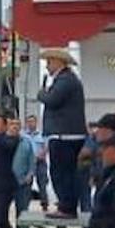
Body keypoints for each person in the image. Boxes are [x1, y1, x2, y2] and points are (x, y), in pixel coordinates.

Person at [37, 48, 87, 219]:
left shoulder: (65, 80)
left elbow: (52, 100)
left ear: (59, 62)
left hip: (64, 135)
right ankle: (67, 205)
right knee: (66, 173)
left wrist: (42, 93)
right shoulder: (68, 80)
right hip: (67, 134)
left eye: (49, 62)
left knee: (61, 173)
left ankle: (67, 207)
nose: (47, 67)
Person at [12, 120, 37, 218]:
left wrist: (30, 174)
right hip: (6, 181)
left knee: (22, 211)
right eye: (12, 124)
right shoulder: (3, 141)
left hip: (23, 182)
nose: (15, 127)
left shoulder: (26, 142)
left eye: (17, 124)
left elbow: (32, 160)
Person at [24, 116, 49, 210]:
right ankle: (25, 205)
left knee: (42, 184)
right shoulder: (23, 135)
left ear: (36, 123)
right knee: (27, 185)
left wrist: (39, 155)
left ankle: (45, 204)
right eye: (29, 122)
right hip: (27, 163)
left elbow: (46, 148)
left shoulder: (42, 135)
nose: (31, 124)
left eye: (32, 121)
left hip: (40, 163)